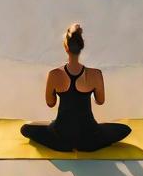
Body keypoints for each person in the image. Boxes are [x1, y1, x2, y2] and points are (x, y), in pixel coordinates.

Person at [20, 23, 131, 152]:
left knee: (26, 128)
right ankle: (84, 143)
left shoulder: (54, 74)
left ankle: (66, 143)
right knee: (124, 129)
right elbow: (100, 101)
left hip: (60, 136)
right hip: (89, 137)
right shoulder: (95, 74)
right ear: (81, 46)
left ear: (65, 47)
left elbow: (50, 103)